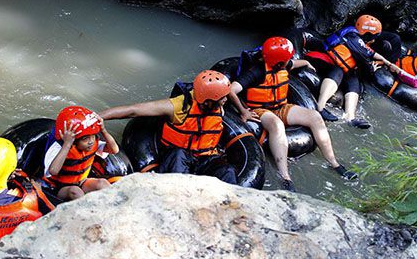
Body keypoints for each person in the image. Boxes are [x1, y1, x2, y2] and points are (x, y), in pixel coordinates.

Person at [228, 36, 356, 192]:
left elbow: (295, 63)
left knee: (315, 116)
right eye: (286, 59)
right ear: (278, 61)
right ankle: (285, 176)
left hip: (281, 106)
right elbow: (231, 90)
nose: (288, 61)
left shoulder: (283, 64)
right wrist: (243, 111)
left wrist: (307, 62)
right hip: (259, 109)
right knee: (277, 125)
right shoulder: (257, 71)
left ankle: (334, 163)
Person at [99, 70, 237, 184]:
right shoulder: (178, 107)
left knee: (227, 170)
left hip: (205, 158)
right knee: (179, 155)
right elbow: (133, 110)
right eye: (222, 97)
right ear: (207, 102)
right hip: (178, 157)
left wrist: (243, 111)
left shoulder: (218, 106)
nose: (226, 99)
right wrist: (96, 116)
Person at [314, 15, 395, 127]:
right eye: (374, 36)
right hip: (323, 60)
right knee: (339, 70)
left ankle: (350, 117)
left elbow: (369, 53)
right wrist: (372, 68)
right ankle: (320, 107)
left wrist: (387, 62)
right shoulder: (352, 36)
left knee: (353, 79)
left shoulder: (357, 39)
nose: (374, 40)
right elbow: (364, 56)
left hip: (338, 66)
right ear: (367, 33)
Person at [43, 106, 119, 201]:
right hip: (60, 188)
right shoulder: (59, 147)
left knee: (102, 183)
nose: (91, 141)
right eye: (85, 139)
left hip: (82, 182)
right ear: (74, 141)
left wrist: (103, 130)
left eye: (92, 136)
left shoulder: (92, 144)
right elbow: (53, 171)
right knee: (76, 192)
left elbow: (114, 150)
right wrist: (67, 144)